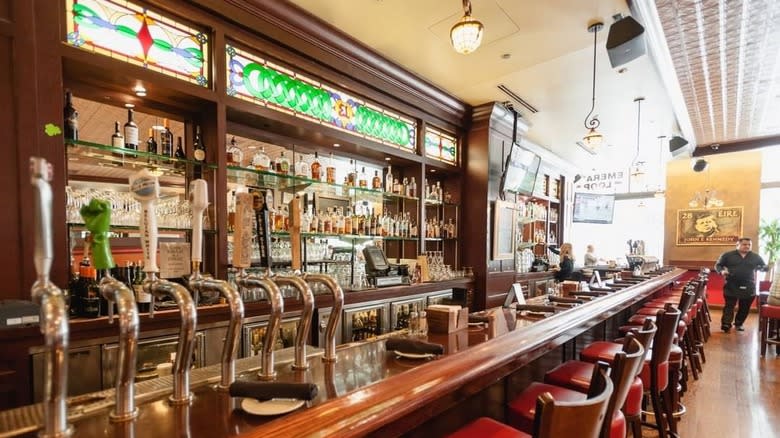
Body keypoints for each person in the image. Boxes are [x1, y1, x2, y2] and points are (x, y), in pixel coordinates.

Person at [715, 237, 767, 332]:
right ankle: (726, 324)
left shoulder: (756, 257)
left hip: (748, 284)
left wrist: (764, 268)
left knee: (745, 307)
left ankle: (739, 323)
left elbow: (763, 266)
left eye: (749, 245)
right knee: (729, 305)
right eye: (744, 244)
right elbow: (718, 265)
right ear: (737, 245)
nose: (747, 246)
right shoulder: (728, 255)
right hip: (731, 284)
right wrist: (722, 271)